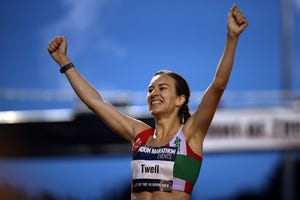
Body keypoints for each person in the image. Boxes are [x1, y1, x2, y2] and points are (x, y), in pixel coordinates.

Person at [48, 4, 247, 200]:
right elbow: (95, 102)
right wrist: (64, 62)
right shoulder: (140, 135)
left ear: (180, 100)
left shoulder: (190, 134)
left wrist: (232, 37)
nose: (154, 93)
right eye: (150, 90)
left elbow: (218, 86)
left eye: (162, 88)